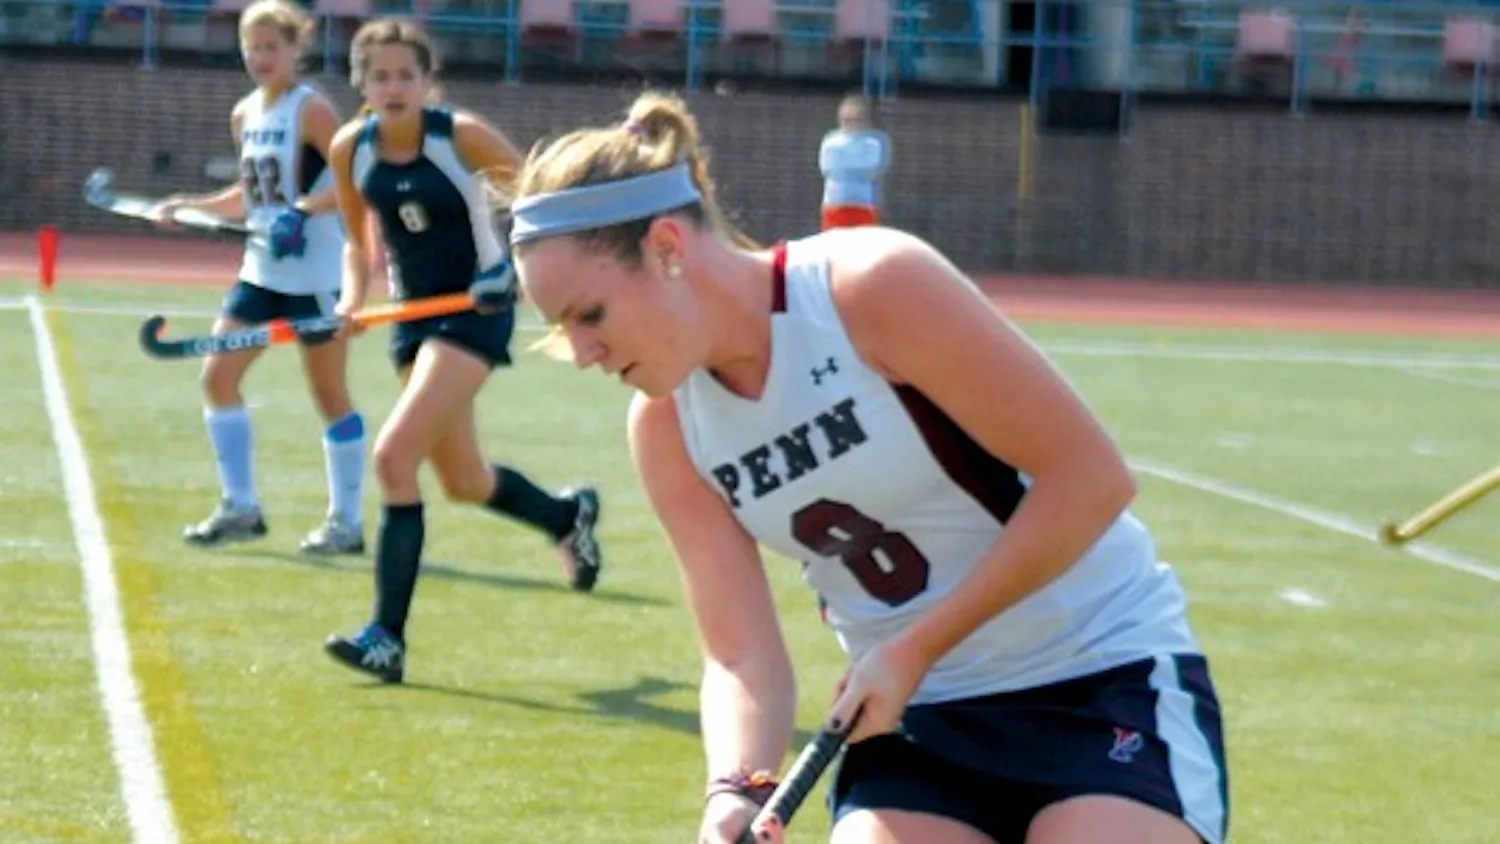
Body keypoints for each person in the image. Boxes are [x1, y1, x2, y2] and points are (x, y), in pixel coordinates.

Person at [509, 91, 1228, 844]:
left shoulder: (867, 289)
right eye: (562, 327)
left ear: (666, 247)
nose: (581, 353)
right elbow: (739, 651)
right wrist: (734, 789)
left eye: (589, 315)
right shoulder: (665, 426)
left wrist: (916, 648)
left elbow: (1090, 479)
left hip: (1100, 677)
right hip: (918, 722)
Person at [320, 17, 603, 684]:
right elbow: (359, 243)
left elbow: (540, 206)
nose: (394, 87)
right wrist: (350, 301)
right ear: (362, 85)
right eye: (380, 77)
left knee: (393, 457)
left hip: (477, 314)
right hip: (413, 320)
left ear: (428, 81)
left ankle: (386, 638)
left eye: (405, 75)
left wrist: (510, 270)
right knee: (464, 481)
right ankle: (567, 516)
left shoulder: (461, 137)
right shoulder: (350, 149)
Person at [151, 0, 368, 556]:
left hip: (316, 276)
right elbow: (249, 195)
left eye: (273, 46)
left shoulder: (312, 110)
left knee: (329, 394)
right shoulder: (244, 113)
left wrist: (304, 210)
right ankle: (240, 506)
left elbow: (353, 178)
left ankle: (346, 521)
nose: (262, 57)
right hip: (261, 272)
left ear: (297, 48)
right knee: (217, 378)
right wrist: (188, 205)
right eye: (253, 47)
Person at [817, 95, 891, 231]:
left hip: (863, 204)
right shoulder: (830, 142)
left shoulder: (872, 145)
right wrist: (855, 170)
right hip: (835, 203)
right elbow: (827, 170)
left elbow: (871, 172)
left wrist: (846, 170)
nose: (852, 122)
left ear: (863, 120)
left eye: (856, 118)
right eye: (848, 118)